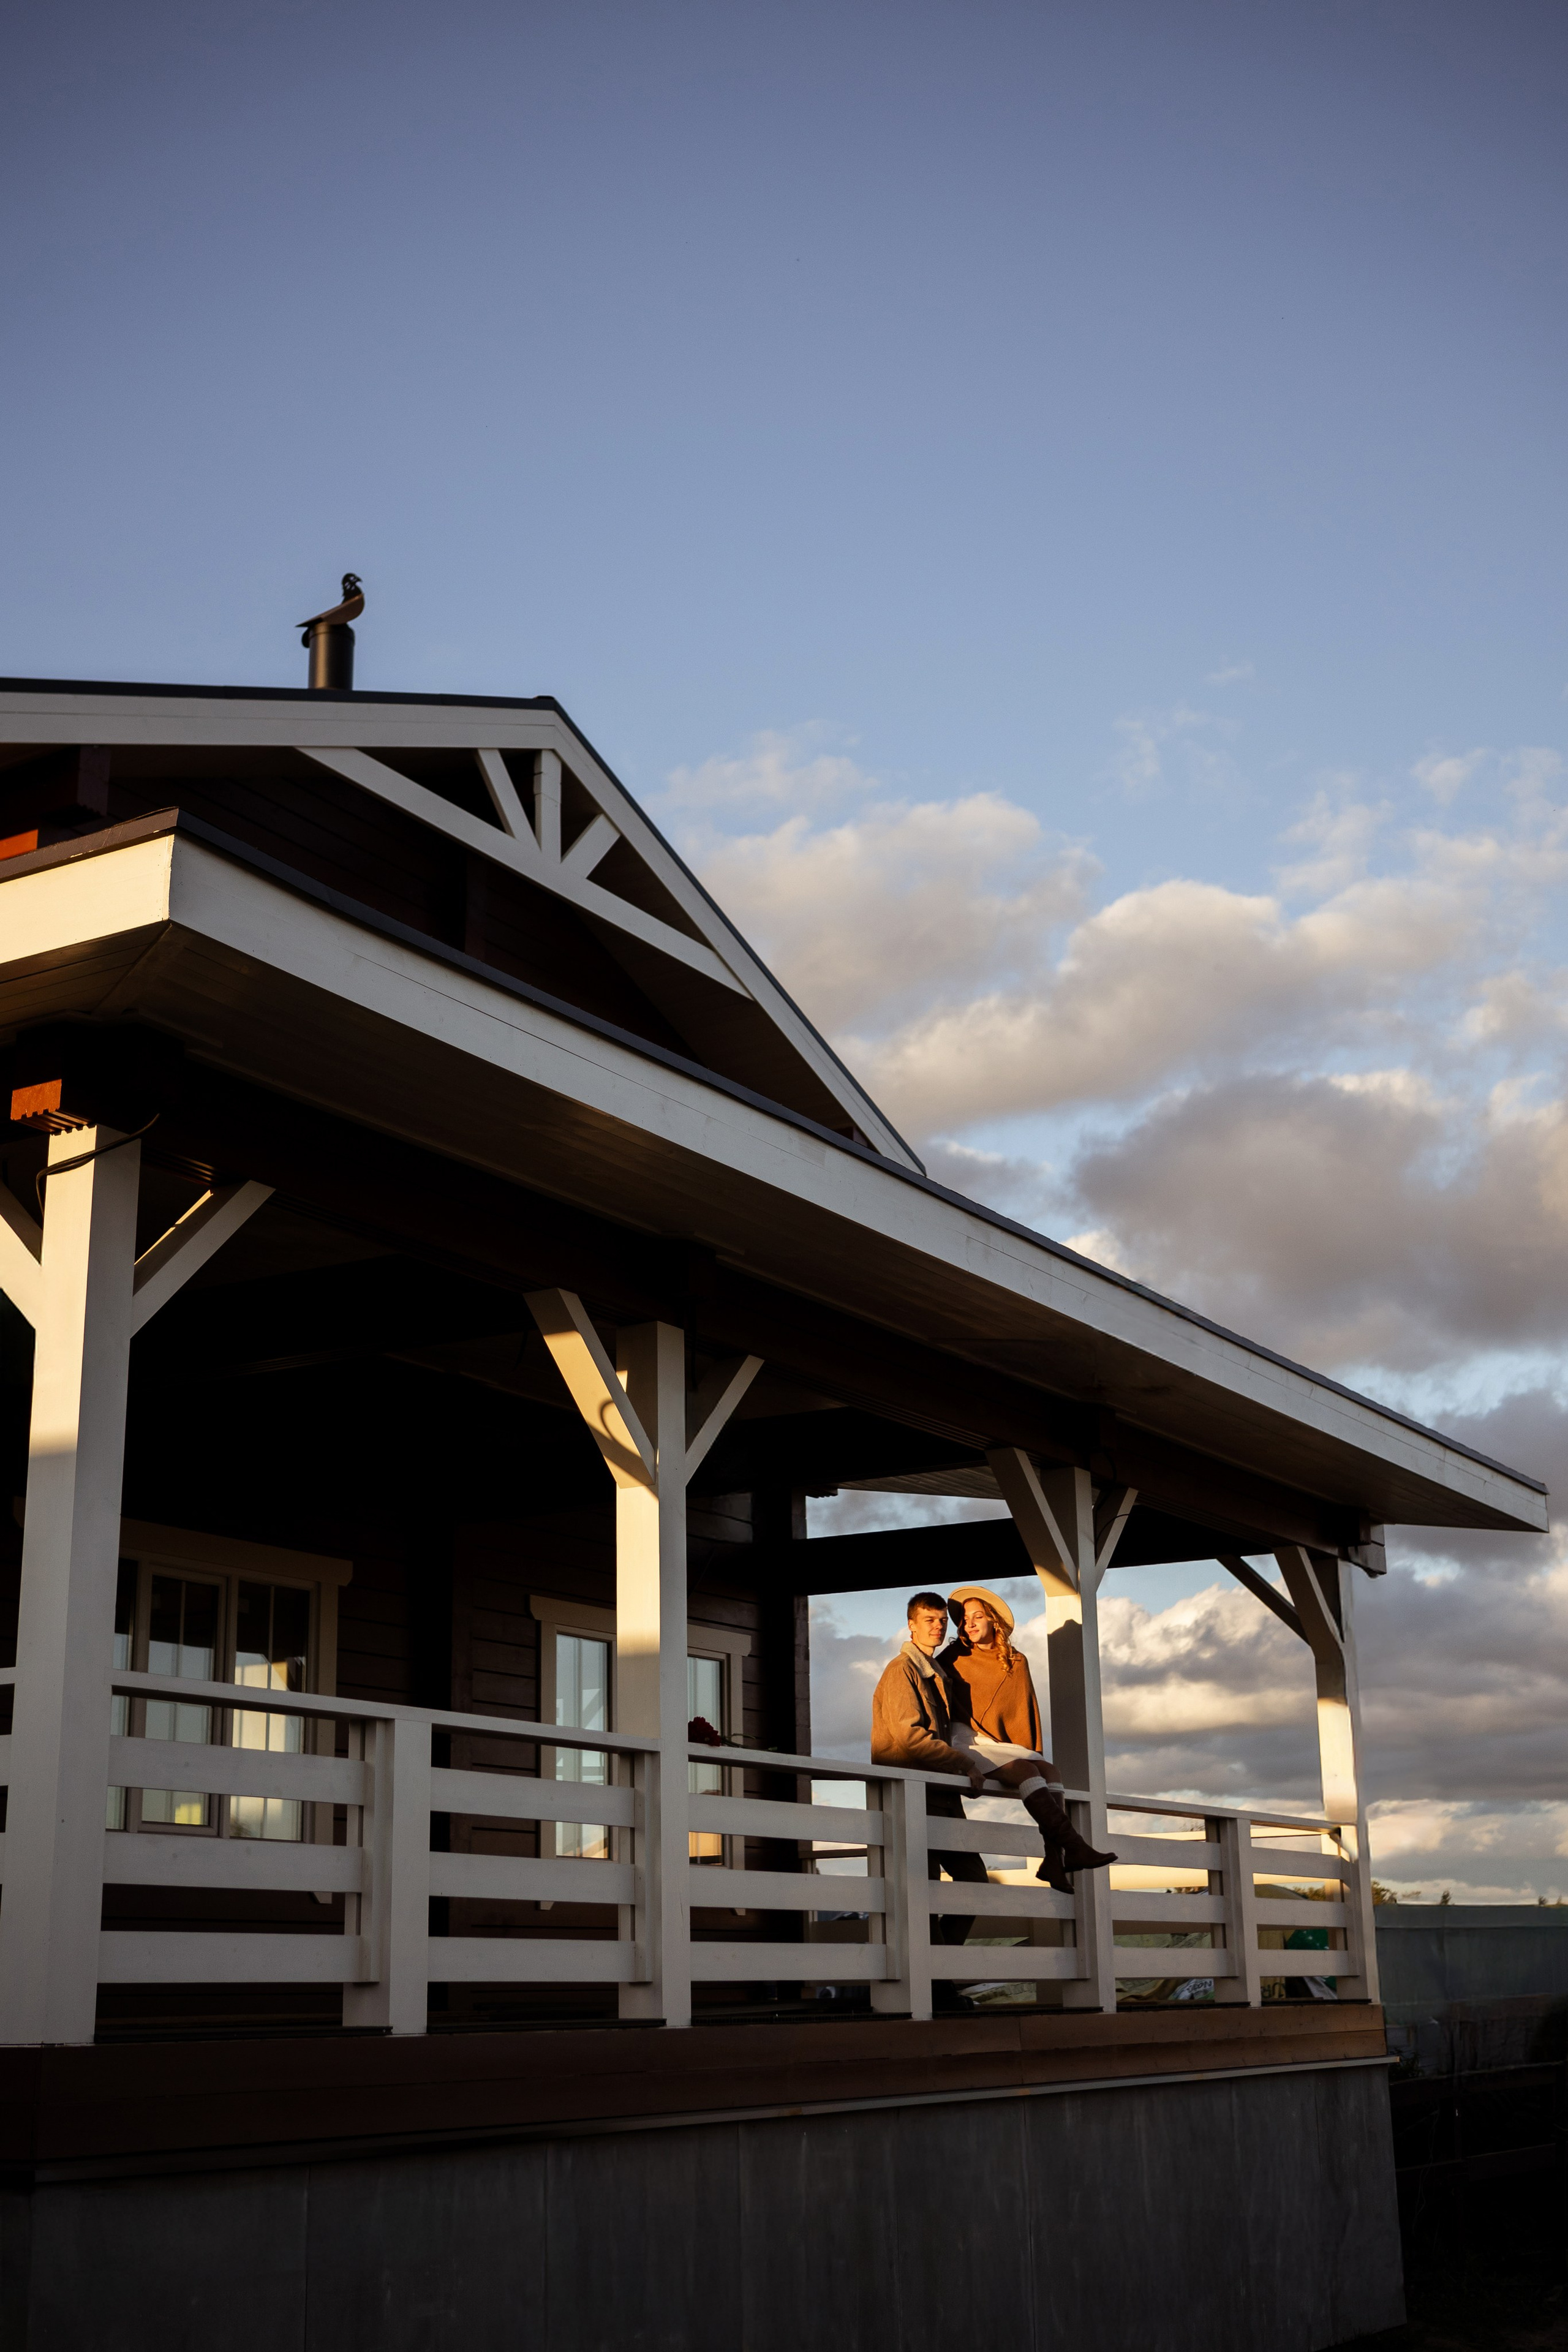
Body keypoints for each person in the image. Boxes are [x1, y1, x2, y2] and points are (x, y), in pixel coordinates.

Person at [937, 1584, 1116, 1891]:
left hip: (1000, 1744)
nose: (970, 1624)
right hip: (966, 1739)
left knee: (1050, 1771)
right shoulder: (953, 1657)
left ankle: (1054, 1859)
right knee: (1026, 1771)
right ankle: (1073, 1847)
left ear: (993, 1620)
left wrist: (1029, 1749)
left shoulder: (1016, 1661)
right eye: (965, 1619)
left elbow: (1024, 1711)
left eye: (978, 1616)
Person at [870, 1590, 991, 1950]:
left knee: (975, 1883)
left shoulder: (935, 1671)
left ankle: (941, 1967)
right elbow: (909, 1736)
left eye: (942, 1621)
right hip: (913, 1797)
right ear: (912, 1625)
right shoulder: (902, 1671)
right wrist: (964, 1763)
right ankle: (936, 1977)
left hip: (943, 1798)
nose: (938, 1627)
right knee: (924, 1893)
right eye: (929, 1620)